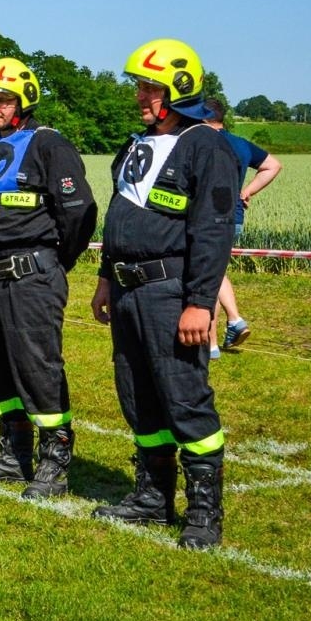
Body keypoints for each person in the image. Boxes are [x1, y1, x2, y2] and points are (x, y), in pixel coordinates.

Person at [90, 38, 237, 550]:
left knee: (184, 397)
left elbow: (214, 229)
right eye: (139, 86)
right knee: (138, 397)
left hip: (171, 291)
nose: (140, 96)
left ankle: (204, 512)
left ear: (179, 87)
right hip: (128, 291)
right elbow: (117, 217)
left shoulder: (205, 145)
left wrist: (200, 301)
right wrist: (106, 278)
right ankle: (153, 498)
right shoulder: (136, 144)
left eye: (150, 87)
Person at [0, 57, 97, 499]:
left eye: (3, 100)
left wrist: (57, 261)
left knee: (36, 367)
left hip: (31, 276)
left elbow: (78, 211)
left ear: (24, 101)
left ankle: (53, 460)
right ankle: (12, 453)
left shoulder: (49, 144)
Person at [202, 98, 283, 354]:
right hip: (234, 219)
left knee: (208, 277)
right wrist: (246, 192)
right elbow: (273, 165)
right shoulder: (239, 144)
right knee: (215, 272)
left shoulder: (204, 143)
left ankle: (223, 332)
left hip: (208, 219)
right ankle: (220, 335)